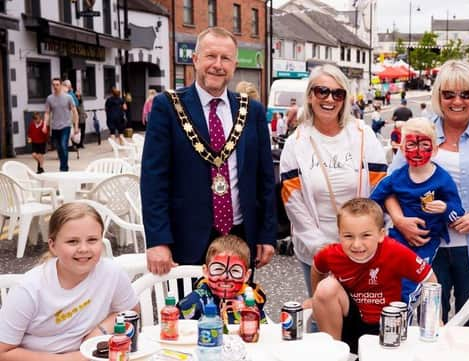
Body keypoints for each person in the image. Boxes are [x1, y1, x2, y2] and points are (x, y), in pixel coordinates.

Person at [385, 60, 469, 327]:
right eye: (449, 94)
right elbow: (389, 186)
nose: (457, 101)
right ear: (438, 96)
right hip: (424, 247)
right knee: (427, 324)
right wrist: (400, 221)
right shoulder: (418, 132)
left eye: (466, 94)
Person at [141, 27, 277, 276]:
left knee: (239, 312)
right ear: (195, 60)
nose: (218, 65)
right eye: (210, 56)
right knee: (188, 312)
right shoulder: (167, 107)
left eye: (225, 58)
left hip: (240, 237)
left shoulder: (252, 111)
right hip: (186, 240)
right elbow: (153, 179)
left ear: (234, 65)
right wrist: (158, 240)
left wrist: (267, 234)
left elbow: (265, 179)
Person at [279, 64, 387, 296]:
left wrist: (370, 237)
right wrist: (322, 247)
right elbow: (293, 202)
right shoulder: (296, 143)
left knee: (364, 318)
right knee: (323, 317)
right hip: (317, 250)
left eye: (338, 93)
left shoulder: (362, 134)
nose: (330, 99)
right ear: (310, 96)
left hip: (363, 248)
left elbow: (381, 188)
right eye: (322, 91)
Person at [0, 203, 138, 360]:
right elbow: (3, 352)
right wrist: (72, 358)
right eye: (72, 241)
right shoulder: (28, 289)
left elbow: (130, 312)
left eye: (92, 240)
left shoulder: (112, 273)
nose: (84, 249)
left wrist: (99, 332)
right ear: (53, 245)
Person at [310, 198, 437, 353]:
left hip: (388, 323)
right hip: (351, 318)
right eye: (348, 236)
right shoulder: (331, 254)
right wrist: (315, 298)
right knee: (325, 289)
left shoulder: (395, 251)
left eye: (366, 235)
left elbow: (429, 278)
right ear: (339, 235)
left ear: (381, 235)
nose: (357, 244)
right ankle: (335, 353)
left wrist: (434, 319)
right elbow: (317, 268)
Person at [370, 118, 464, 302]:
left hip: (426, 242)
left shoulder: (442, 179)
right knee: (388, 278)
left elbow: (457, 210)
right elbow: (373, 201)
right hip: (397, 238)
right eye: (411, 145)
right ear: (402, 148)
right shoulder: (397, 177)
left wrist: (445, 208)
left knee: (413, 282)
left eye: (424, 145)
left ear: (435, 149)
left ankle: (407, 314)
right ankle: (395, 314)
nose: (418, 152)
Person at [177, 235, 268, 325]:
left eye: (235, 270)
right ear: (206, 272)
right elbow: (176, 329)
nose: (226, 276)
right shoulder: (193, 302)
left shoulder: (251, 303)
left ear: (246, 276)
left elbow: (263, 332)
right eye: (218, 269)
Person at [43, 77, 79, 172]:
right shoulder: (49, 98)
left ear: (61, 85)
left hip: (66, 126)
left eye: (57, 85)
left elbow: (75, 112)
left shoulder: (68, 97)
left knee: (63, 145)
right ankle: (64, 165)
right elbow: (47, 113)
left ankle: (63, 168)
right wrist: (44, 125)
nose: (55, 87)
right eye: (53, 85)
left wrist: (76, 126)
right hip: (55, 127)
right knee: (58, 148)